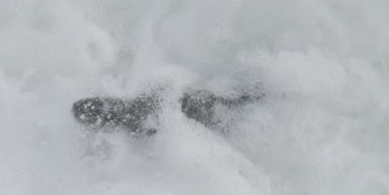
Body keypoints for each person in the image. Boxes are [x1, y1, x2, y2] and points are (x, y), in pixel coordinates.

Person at [72, 85, 262, 135]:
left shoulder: (135, 121)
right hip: (196, 109)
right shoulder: (136, 114)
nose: (109, 105)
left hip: (194, 109)